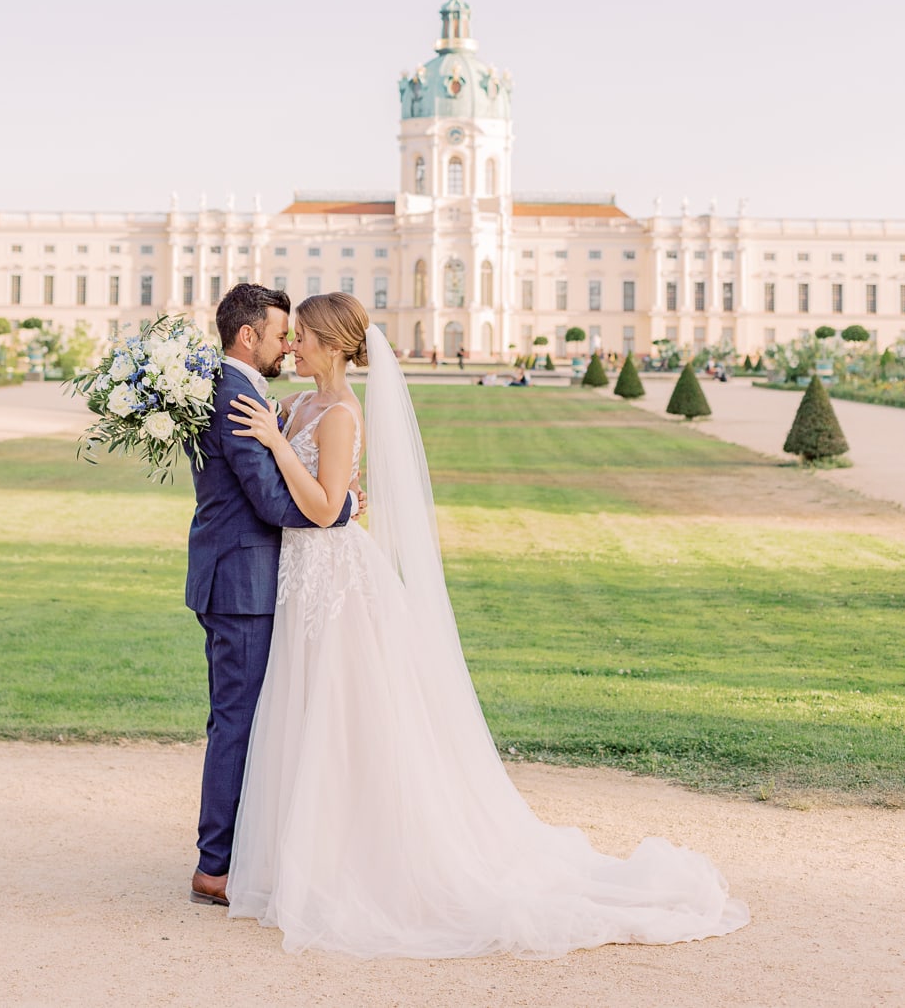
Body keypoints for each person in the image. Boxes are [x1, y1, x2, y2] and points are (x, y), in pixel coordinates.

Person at [224, 291, 749, 958]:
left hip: (335, 581)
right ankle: (301, 856)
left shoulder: (340, 413)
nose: (291, 346)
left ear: (331, 343)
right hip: (303, 578)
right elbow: (320, 494)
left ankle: (353, 862)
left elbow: (328, 507)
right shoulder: (295, 405)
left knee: (348, 717)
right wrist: (290, 446)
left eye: (301, 336)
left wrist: (283, 449)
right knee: (307, 714)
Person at [184, 284, 360, 909]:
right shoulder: (238, 394)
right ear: (248, 337)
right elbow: (270, 500)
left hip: (256, 577)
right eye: (283, 334)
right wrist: (341, 513)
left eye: (299, 335)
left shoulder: (258, 393)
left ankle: (249, 850)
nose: (291, 344)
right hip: (244, 580)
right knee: (239, 718)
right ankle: (216, 865)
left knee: (264, 716)